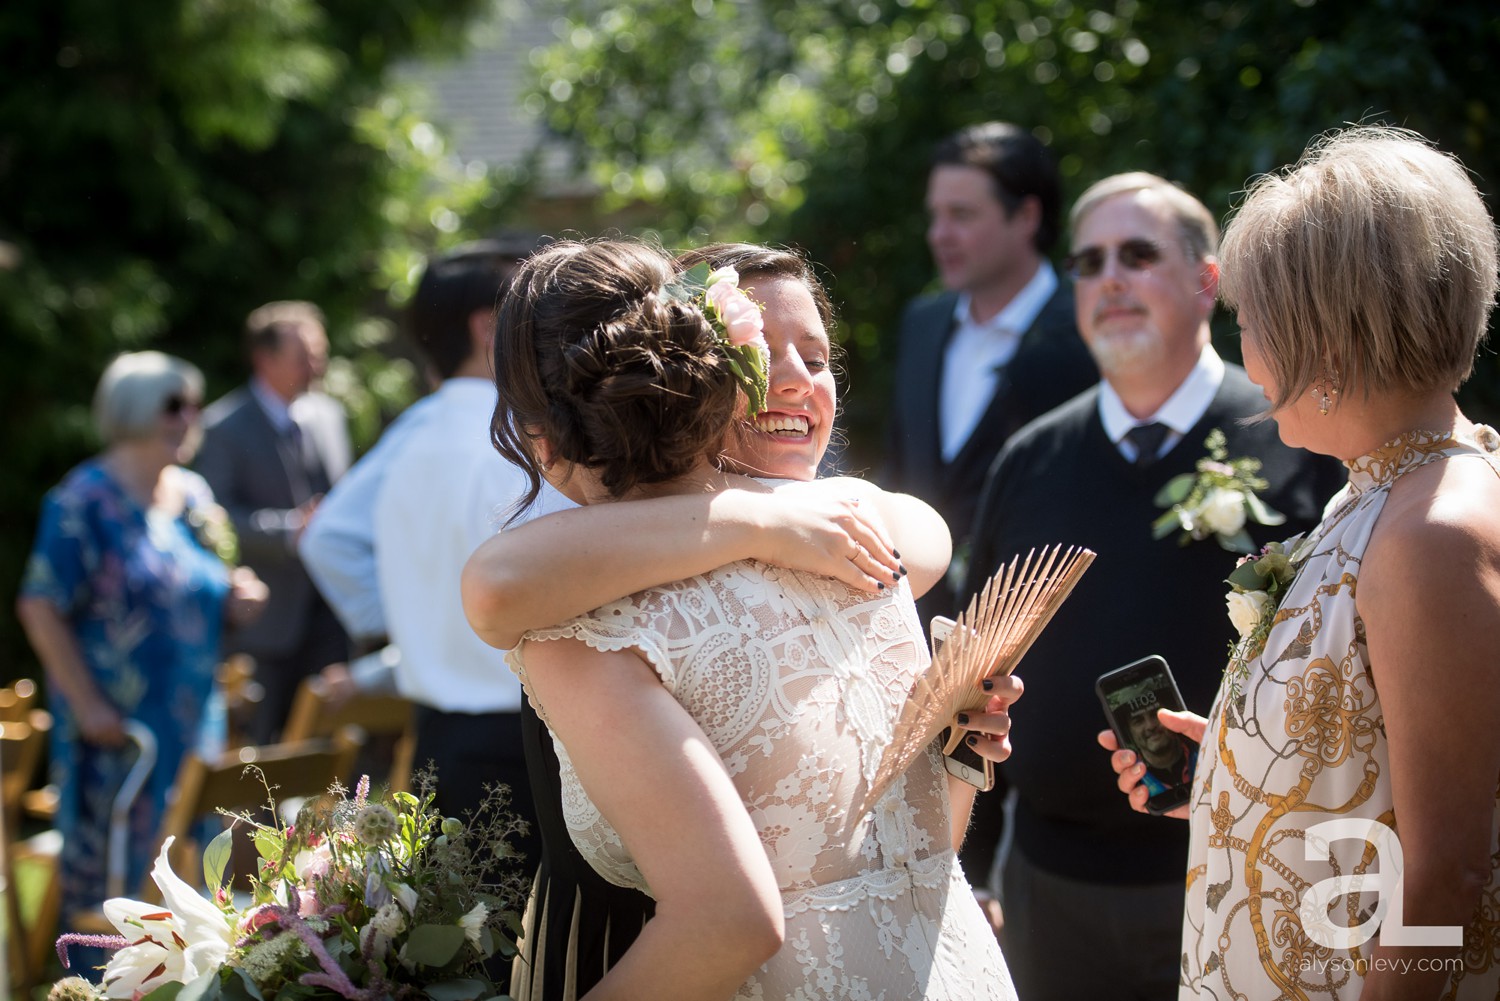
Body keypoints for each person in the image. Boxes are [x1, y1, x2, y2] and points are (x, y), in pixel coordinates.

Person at [463, 239, 1018, 999]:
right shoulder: (853, 533)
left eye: (818, 359)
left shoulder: (587, 618)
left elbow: (737, 916)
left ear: (541, 434)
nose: (793, 381)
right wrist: (762, 521)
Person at [1104, 127, 1500, 999]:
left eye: (1248, 323)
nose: (1247, 355)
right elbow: (1380, 765)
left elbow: (1449, 878)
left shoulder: (1432, 533)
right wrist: (1235, 766)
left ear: (1324, 336)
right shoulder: (1380, 494)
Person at [962, 172, 1346, 1000]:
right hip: (1048, 888)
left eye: (1138, 254)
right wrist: (972, 866)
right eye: (1089, 261)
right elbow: (977, 662)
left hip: (1254, 869)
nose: (1110, 278)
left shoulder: (1301, 437)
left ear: (1208, 280)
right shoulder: (1030, 457)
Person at [15, 351, 268, 930]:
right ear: (131, 409)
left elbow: (207, 585)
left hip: (192, 723)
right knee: (116, 888)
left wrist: (239, 596)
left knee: (195, 878)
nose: (189, 418)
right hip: (119, 735)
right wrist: (87, 705)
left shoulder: (195, 496)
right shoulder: (82, 503)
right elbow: (39, 605)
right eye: (173, 405)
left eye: (195, 405)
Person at [883, 121, 1098, 624]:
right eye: (935, 216)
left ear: (1025, 215)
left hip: (1041, 630)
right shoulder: (922, 324)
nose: (939, 235)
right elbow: (901, 466)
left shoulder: (1088, 334)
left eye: (961, 215)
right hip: (912, 627)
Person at [196, 301, 352, 743]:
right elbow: (217, 516)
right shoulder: (223, 427)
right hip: (266, 622)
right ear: (264, 358)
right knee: (261, 752)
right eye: (304, 355)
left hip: (329, 614)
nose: (316, 365)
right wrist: (289, 530)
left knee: (325, 751)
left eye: (319, 353)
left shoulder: (329, 415)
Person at [1123, 705, 1193, 796]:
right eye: (1138, 721)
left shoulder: (1205, 750)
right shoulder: (1136, 780)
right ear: (1128, 733)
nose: (1150, 726)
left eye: (1155, 714)